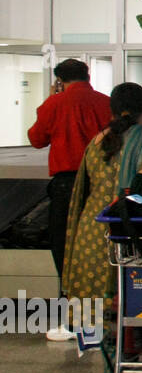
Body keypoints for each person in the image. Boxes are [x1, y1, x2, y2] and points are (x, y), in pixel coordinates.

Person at [61, 83, 142, 373]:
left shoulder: (98, 139)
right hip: (122, 228)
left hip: (91, 228)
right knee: (132, 293)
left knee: (106, 302)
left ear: (113, 110)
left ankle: (113, 363)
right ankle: (133, 360)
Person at [27, 59, 112, 342]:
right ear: (88, 75)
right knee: (100, 249)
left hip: (67, 184)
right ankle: (105, 316)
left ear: (60, 81)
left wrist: (52, 98)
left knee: (65, 250)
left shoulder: (54, 104)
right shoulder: (105, 102)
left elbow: (36, 139)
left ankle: (75, 321)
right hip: (101, 184)